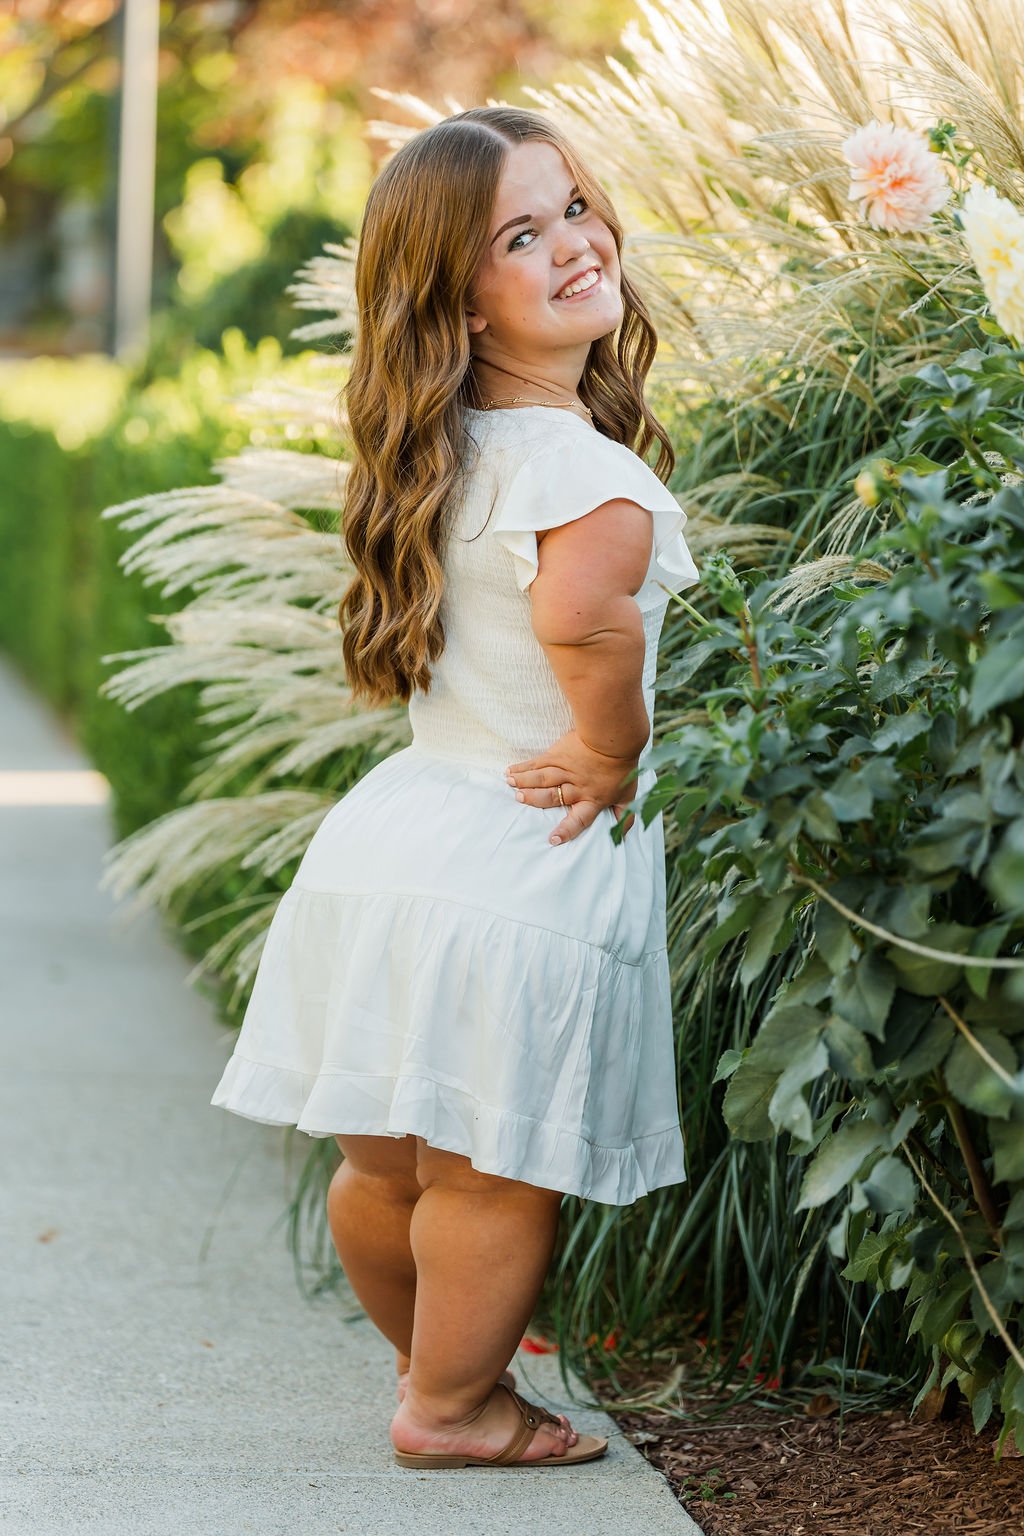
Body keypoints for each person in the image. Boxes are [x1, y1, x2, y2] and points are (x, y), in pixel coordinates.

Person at [210, 104, 699, 1471]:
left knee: (386, 1169)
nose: (576, 243)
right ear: (464, 308)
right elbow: (586, 628)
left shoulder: (435, 454)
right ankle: (451, 1402)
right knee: (491, 1177)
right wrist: (610, 749)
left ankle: (448, 1356)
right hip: (525, 851)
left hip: (395, 843)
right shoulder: (593, 479)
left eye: (579, 208)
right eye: (522, 235)